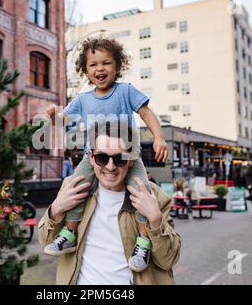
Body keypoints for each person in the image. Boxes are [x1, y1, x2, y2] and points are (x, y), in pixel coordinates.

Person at [43, 37, 169, 272]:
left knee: (141, 192)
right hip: (94, 157)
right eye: (93, 65)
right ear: (85, 70)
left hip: (128, 156)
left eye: (106, 63)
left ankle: (143, 242)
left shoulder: (126, 91)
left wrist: (159, 137)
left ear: (117, 66)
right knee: (75, 185)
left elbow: (146, 113)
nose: (100, 69)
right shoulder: (83, 99)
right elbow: (63, 121)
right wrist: (53, 117)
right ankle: (69, 232)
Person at [38, 121, 181, 284]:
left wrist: (155, 221)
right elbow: (46, 243)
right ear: (90, 157)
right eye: (102, 158)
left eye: (119, 158)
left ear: (131, 159)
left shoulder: (154, 197)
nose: (110, 167)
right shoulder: (72, 188)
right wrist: (55, 210)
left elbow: (168, 260)